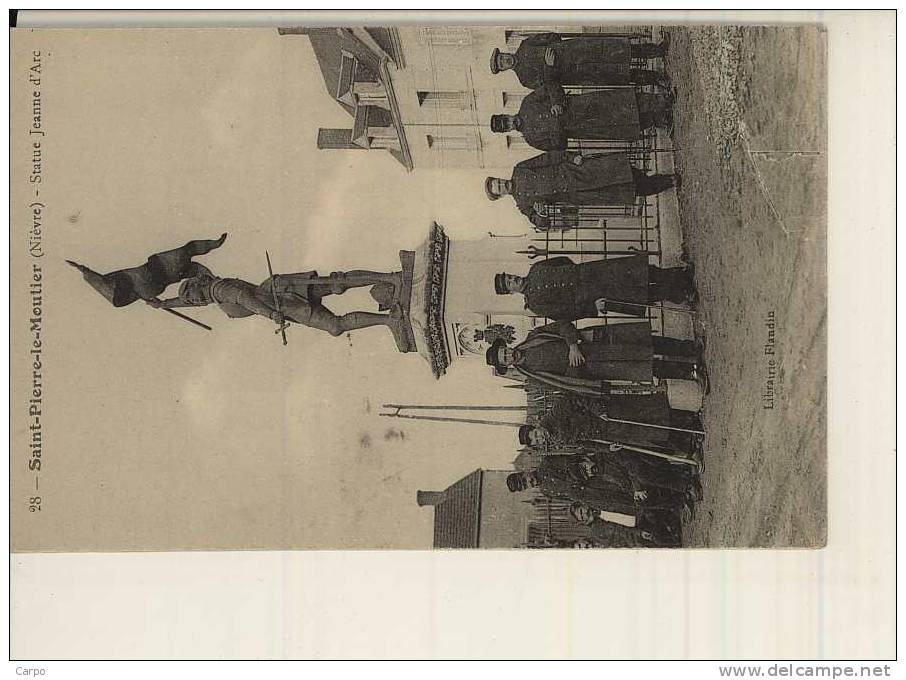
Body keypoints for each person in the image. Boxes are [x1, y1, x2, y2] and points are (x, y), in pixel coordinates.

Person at [147, 266, 408, 341]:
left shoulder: (220, 289)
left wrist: (271, 315)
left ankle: (391, 281)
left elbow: (244, 299)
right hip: (281, 298)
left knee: (336, 293)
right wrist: (166, 304)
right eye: (191, 301)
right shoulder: (212, 295)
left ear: (199, 286)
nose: (194, 302)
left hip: (281, 298)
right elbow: (194, 304)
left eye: (193, 297)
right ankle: (389, 313)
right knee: (335, 308)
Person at [484, 151, 679, 230]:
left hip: (576, 171)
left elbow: (548, 157)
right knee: (626, 191)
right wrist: (541, 215)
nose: (502, 185)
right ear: (501, 196)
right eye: (499, 189)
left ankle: (659, 179)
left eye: (499, 182)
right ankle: (667, 182)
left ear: (500, 177)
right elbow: (540, 224)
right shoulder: (522, 204)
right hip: (577, 194)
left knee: (621, 170)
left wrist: (572, 157)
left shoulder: (520, 169)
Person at [494, 255, 696, 320]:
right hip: (591, 297)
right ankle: (680, 295)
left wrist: (578, 272)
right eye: (510, 283)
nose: (514, 279)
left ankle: (679, 275)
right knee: (637, 296)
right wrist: (592, 308)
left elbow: (563, 260)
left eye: (510, 276)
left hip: (592, 272)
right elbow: (566, 313)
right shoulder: (536, 305)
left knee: (637, 271)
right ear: (511, 292)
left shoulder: (536, 268)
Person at [519, 391, 704, 457]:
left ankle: (690, 420)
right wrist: (608, 449)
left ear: (536, 426)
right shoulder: (557, 442)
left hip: (607, 415)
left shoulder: (555, 413)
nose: (538, 437)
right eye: (535, 441)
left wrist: (598, 410)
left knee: (648, 415)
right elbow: (584, 445)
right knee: (647, 434)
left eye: (535, 434)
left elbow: (578, 398)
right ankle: (687, 437)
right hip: (607, 435)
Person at [489, 87, 673, 151]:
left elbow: (551, 87)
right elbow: (559, 147)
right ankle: (658, 120)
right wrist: (557, 131)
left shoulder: (527, 103)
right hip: (581, 128)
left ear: (506, 114)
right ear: (507, 131)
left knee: (618, 103)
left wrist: (556, 102)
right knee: (619, 126)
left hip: (580, 105)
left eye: (505, 119)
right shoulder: (531, 139)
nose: (509, 123)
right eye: (506, 127)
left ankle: (661, 99)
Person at [505, 453, 691, 515]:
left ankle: (681, 483)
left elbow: (572, 462)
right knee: (629, 503)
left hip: (596, 477)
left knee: (632, 486)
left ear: (525, 472)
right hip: (593, 496)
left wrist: (575, 479)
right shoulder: (546, 490)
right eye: (526, 485)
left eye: (525, 479)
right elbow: (568, 497)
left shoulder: (547, 464)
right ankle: (678, 503)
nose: (529, 482)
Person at [489, 32, 671, 90]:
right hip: (576, 73)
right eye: (502, 64)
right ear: (504, 70)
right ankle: (657, 78)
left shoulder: (525, 45)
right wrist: (550, 66)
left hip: (578, 50)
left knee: (620, 51)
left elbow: (550, 36)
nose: (505, 61)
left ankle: (657, 50)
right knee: (620, 74)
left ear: (504, 52)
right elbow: (550, 86)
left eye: (502, 57)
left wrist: (558, 48)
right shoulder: (525, 79)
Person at [569, 502, 682, 547]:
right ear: (582, 522)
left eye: (582, 510)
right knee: (655, 537)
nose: (585, 514)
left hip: (638, 516)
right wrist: (639, 533)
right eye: (582, 516)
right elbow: (621, 533)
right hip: (636, 534)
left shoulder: (598, 504)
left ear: (583, 505)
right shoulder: (598, 530)